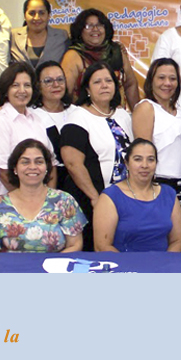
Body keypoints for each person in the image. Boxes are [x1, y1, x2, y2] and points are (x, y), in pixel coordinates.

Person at [60, 62, 133, 248]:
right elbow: (73, 164)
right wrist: (95, 198)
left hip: (124, 200)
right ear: (87, 89)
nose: (104, 85)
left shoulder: (123, 115)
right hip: (91, 200)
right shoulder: (78, 117)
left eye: (109, 81)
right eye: (97, 82)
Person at [0, 139, 85, 253]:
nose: (33, 167)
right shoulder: (0, 204)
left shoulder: (64, 201)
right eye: (25, 162)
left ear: (47, 168)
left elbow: (75, 245)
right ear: (15, 168)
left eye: (39, 162)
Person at [0, 62, 56, 203]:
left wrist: (48, 201)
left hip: (42, 205)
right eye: (15, 85)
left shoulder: (37, 120)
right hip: (10, 206)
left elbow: (51, 164)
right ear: (6, 89)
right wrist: (29, 202)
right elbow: (3, 172)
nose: (22, 91)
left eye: (27, 85)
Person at [95, 139, 181, 252]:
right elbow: (102, 246)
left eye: (150, 160)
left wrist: (165, 264)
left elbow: (177, 240)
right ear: (127, 163)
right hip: (124, 266)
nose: (145, 165)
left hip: (163, 266)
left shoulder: (169, 194)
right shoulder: (110, 197)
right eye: (138, 159)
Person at [61, 8, 139, 111]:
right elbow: (65, 94)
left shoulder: (116, 51)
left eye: (100, 25)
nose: (95, 29)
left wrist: (137, 113)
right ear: (80, 30)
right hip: (85, 118)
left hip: (117, 116)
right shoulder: (73, 56)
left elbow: (130, 84)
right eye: (89, 26)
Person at [132, 58, 181, 198]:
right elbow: (143, 153)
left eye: (172, 78)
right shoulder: (146, 107)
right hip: (158, 183)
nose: (167, 83)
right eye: (161, 78)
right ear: (151, 81)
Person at [31, 60, 73, 187]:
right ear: (38, 85)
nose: (56, 85)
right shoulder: (30, 115)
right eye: (48, 81)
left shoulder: (77, 112)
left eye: (60, 79)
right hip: (45, 181)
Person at [10, 0, 69, 68]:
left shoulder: (62, 37)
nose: (37, 18)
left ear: (49, 15)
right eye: (32, 13)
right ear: (25, 16)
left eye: (42, 13)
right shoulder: (13, 36)